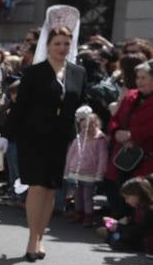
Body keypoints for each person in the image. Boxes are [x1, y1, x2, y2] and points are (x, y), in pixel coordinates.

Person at [0, 7, 86, 261]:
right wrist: (5, 136)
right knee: (36, 187)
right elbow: (20, 107)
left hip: (60, 138)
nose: (62, 47)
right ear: (47, 45)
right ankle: (31, 239)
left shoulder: (78, 73)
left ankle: (41, 235)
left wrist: (85, 110)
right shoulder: (34, 73)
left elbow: (82, 99)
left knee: (50, 189)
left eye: (66, 43)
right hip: (33, 137)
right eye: (57, 43)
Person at [104, 60, 153, 219]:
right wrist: (116, 130)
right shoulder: (130, 95)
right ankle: (120, 224)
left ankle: (134, 228)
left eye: (143, 78)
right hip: (122, 153)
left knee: (139, 194)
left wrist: (132, 135)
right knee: (117, 189)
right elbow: (115, 117)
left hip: (145, 156)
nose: (139, 81)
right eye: (138, 77)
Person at [64, 106, 107, 226]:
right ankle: (79, 213)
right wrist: (67, 172)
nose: (86, 130)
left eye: (90, 126)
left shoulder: (100, 140)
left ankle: (88, 215)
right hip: (76, 173)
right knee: (77, 195)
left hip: (90, 174)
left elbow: (103, 159)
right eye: (83, 127)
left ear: (96, 125)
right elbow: (70, 155)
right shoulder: (79, 138)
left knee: (87, 196)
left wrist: (99, 175)